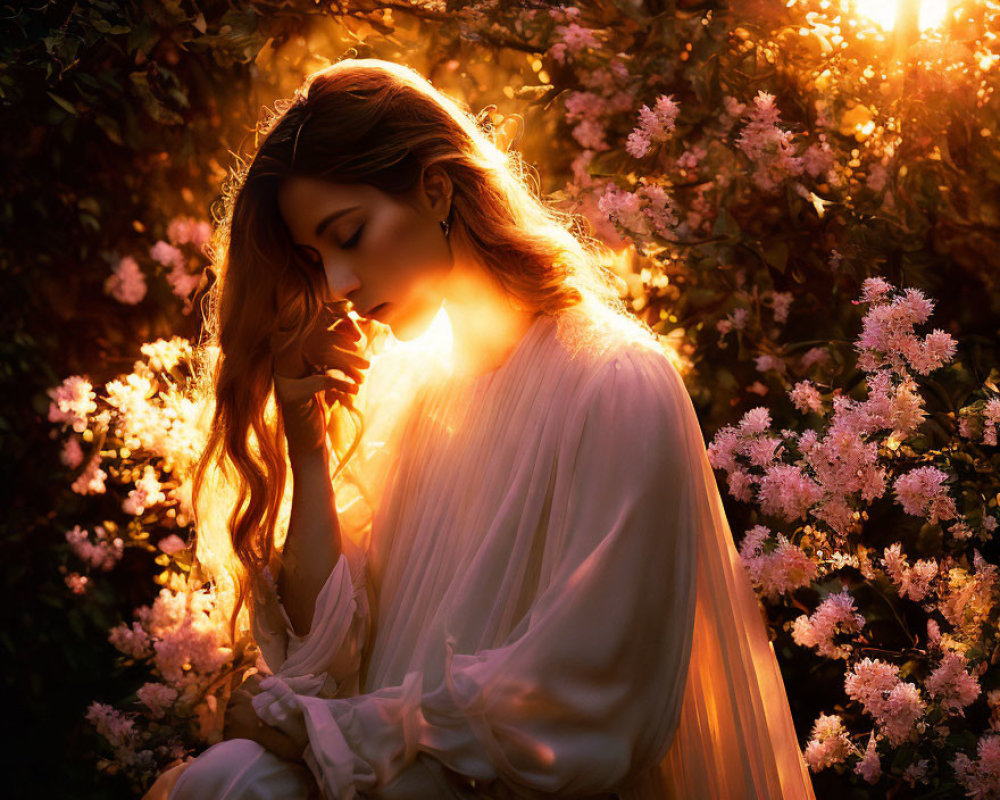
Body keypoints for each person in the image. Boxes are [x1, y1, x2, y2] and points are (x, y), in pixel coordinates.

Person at [146, 58, 817, 799]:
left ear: (435, 189)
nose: (338, 284)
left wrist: (322, 732)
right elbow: (323, 661)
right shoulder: (406, 388)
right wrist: (306, 451)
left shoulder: (616, 384)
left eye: (351, 234)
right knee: (230, 780)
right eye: (317, 258)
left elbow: (585, 709)